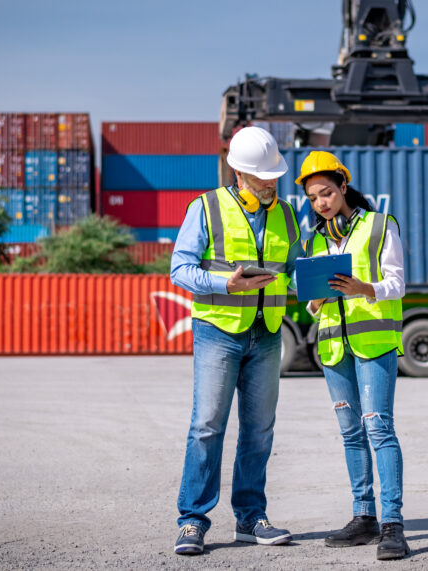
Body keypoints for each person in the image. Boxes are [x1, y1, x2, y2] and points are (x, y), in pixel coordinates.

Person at [169, 126, 303, 556]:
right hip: (218, 332)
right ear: (238, 173)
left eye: (275, 175)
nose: (271, 182)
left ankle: (250, 517)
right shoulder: (205, 208)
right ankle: (193, 521)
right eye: (263, 176)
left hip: (266, 334)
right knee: (207, 427)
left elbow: (294, 268)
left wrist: (322, 282)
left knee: (259, 431)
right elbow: (180, 269)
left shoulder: (286, 214)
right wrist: (224, 283)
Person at [298, 151, 409, 561]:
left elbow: (397, 284)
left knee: (379, 429)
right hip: (333, 346)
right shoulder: (313, 239)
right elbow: (311, 304)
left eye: (326, 192)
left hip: (374, 343)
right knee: (350, 433)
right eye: (313, 198)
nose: (321, 203)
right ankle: (364, 517)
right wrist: (317, 298)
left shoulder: (381, 226)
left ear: (344, 187)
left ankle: (393, 525)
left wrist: (364, 288)